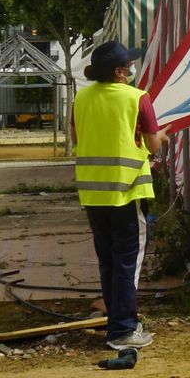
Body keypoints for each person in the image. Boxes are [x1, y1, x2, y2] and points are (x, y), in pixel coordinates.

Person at [73, 41, 166, 351]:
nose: (132, 69)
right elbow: (153, 145)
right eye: (128, 65)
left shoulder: (81, 98)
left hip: (93, 193)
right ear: (118, 71)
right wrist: (162, 135)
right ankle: (124, 331)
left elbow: (76, 136)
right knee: (128, 262)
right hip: (127, 192)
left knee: (109, 261)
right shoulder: (138, 98)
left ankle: (118, 322)